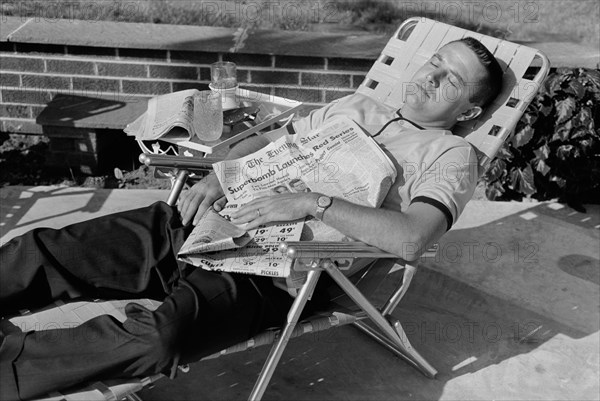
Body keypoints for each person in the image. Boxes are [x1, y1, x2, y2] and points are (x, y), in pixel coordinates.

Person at [0, 37, 503, 400]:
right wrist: (221, 175)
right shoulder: (355, 104)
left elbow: (414, 240)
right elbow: (270, 140)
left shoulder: (451, 155)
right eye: (433, 63)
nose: (430, 78)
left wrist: (311, 202)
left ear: (468, 110)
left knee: (160, 337)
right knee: (42, 251)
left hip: (274, 269)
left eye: (450, 80)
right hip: (211, 219)